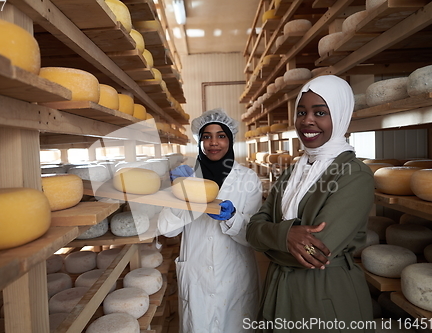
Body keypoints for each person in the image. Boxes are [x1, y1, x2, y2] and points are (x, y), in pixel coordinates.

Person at [246, 75, 375, 332]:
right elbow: (252, 231)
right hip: (278, 291)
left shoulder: (353, 174)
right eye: (302, 112)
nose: (307, 120)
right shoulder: (291, 172)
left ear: (339, 116)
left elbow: (316, 252)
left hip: (324, 297)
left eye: (320, 112)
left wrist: (271, 239)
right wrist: (286, 237)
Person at [157, 108, 263, 333]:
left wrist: (232, 218)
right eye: (207, 136)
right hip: (196, 274)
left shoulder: (247, 178)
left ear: (231, 139)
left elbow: (255, 236)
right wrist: (183, 195)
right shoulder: (187, 178)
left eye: (221, 136)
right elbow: (166, 229)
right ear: (200, 141)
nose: (213, 142)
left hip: (235, 272)